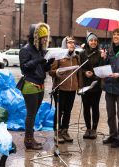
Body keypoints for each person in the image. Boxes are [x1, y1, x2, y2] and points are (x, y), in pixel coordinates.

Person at [19, 22, 54, 150]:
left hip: (40, 85)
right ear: (36, 37)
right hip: (29, 85)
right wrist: (39, 60)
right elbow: (24, 68)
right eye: (42, 38)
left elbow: (42, 68)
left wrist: (48, 63)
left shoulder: (41, 50)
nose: (45, 40)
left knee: (33, 113)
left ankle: (31, 138)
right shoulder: (25, 49)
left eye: (46, 37)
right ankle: (28, 140)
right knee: (31, 114)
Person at [49, 36, 82, 143]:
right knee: (59, 111)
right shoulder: (58, 56)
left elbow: (78, 74)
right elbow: (51, 71)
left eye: (73, 43)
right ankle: (57, 132)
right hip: (60, 88)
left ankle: (65, 130)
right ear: (65, 44)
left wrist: (79, 86)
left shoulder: (76, 57)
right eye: (69, 43)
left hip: (72, 89)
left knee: (68, 111)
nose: (72, 44)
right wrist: (57, 72)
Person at [80, 32, 102, 139]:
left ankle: (94, 129)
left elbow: (102, 69)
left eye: (95, 40)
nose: (93, 42)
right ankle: (88, 129)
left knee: (95, 107)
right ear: (88, 42)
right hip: (85, 85)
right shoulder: (82, 54)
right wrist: (85, 73)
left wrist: (94, 75)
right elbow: (79, 68)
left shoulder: (100, 54)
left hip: (96, 85)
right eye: (91, 40)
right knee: (86, 107)